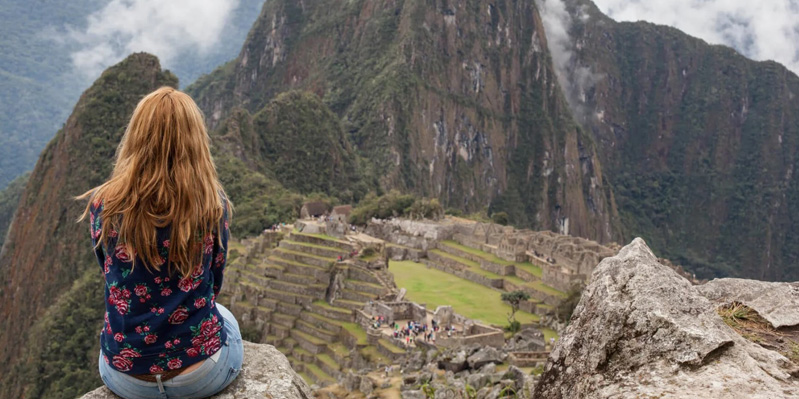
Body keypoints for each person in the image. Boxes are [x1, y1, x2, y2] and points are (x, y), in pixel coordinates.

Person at [77, 87, 242, 399]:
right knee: (226, 316)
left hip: (127, 377)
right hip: (200, 376)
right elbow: (214, 280)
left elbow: (109, 272)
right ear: (195, 140)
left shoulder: (104, 204)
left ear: (136, 137)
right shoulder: (212, 205)